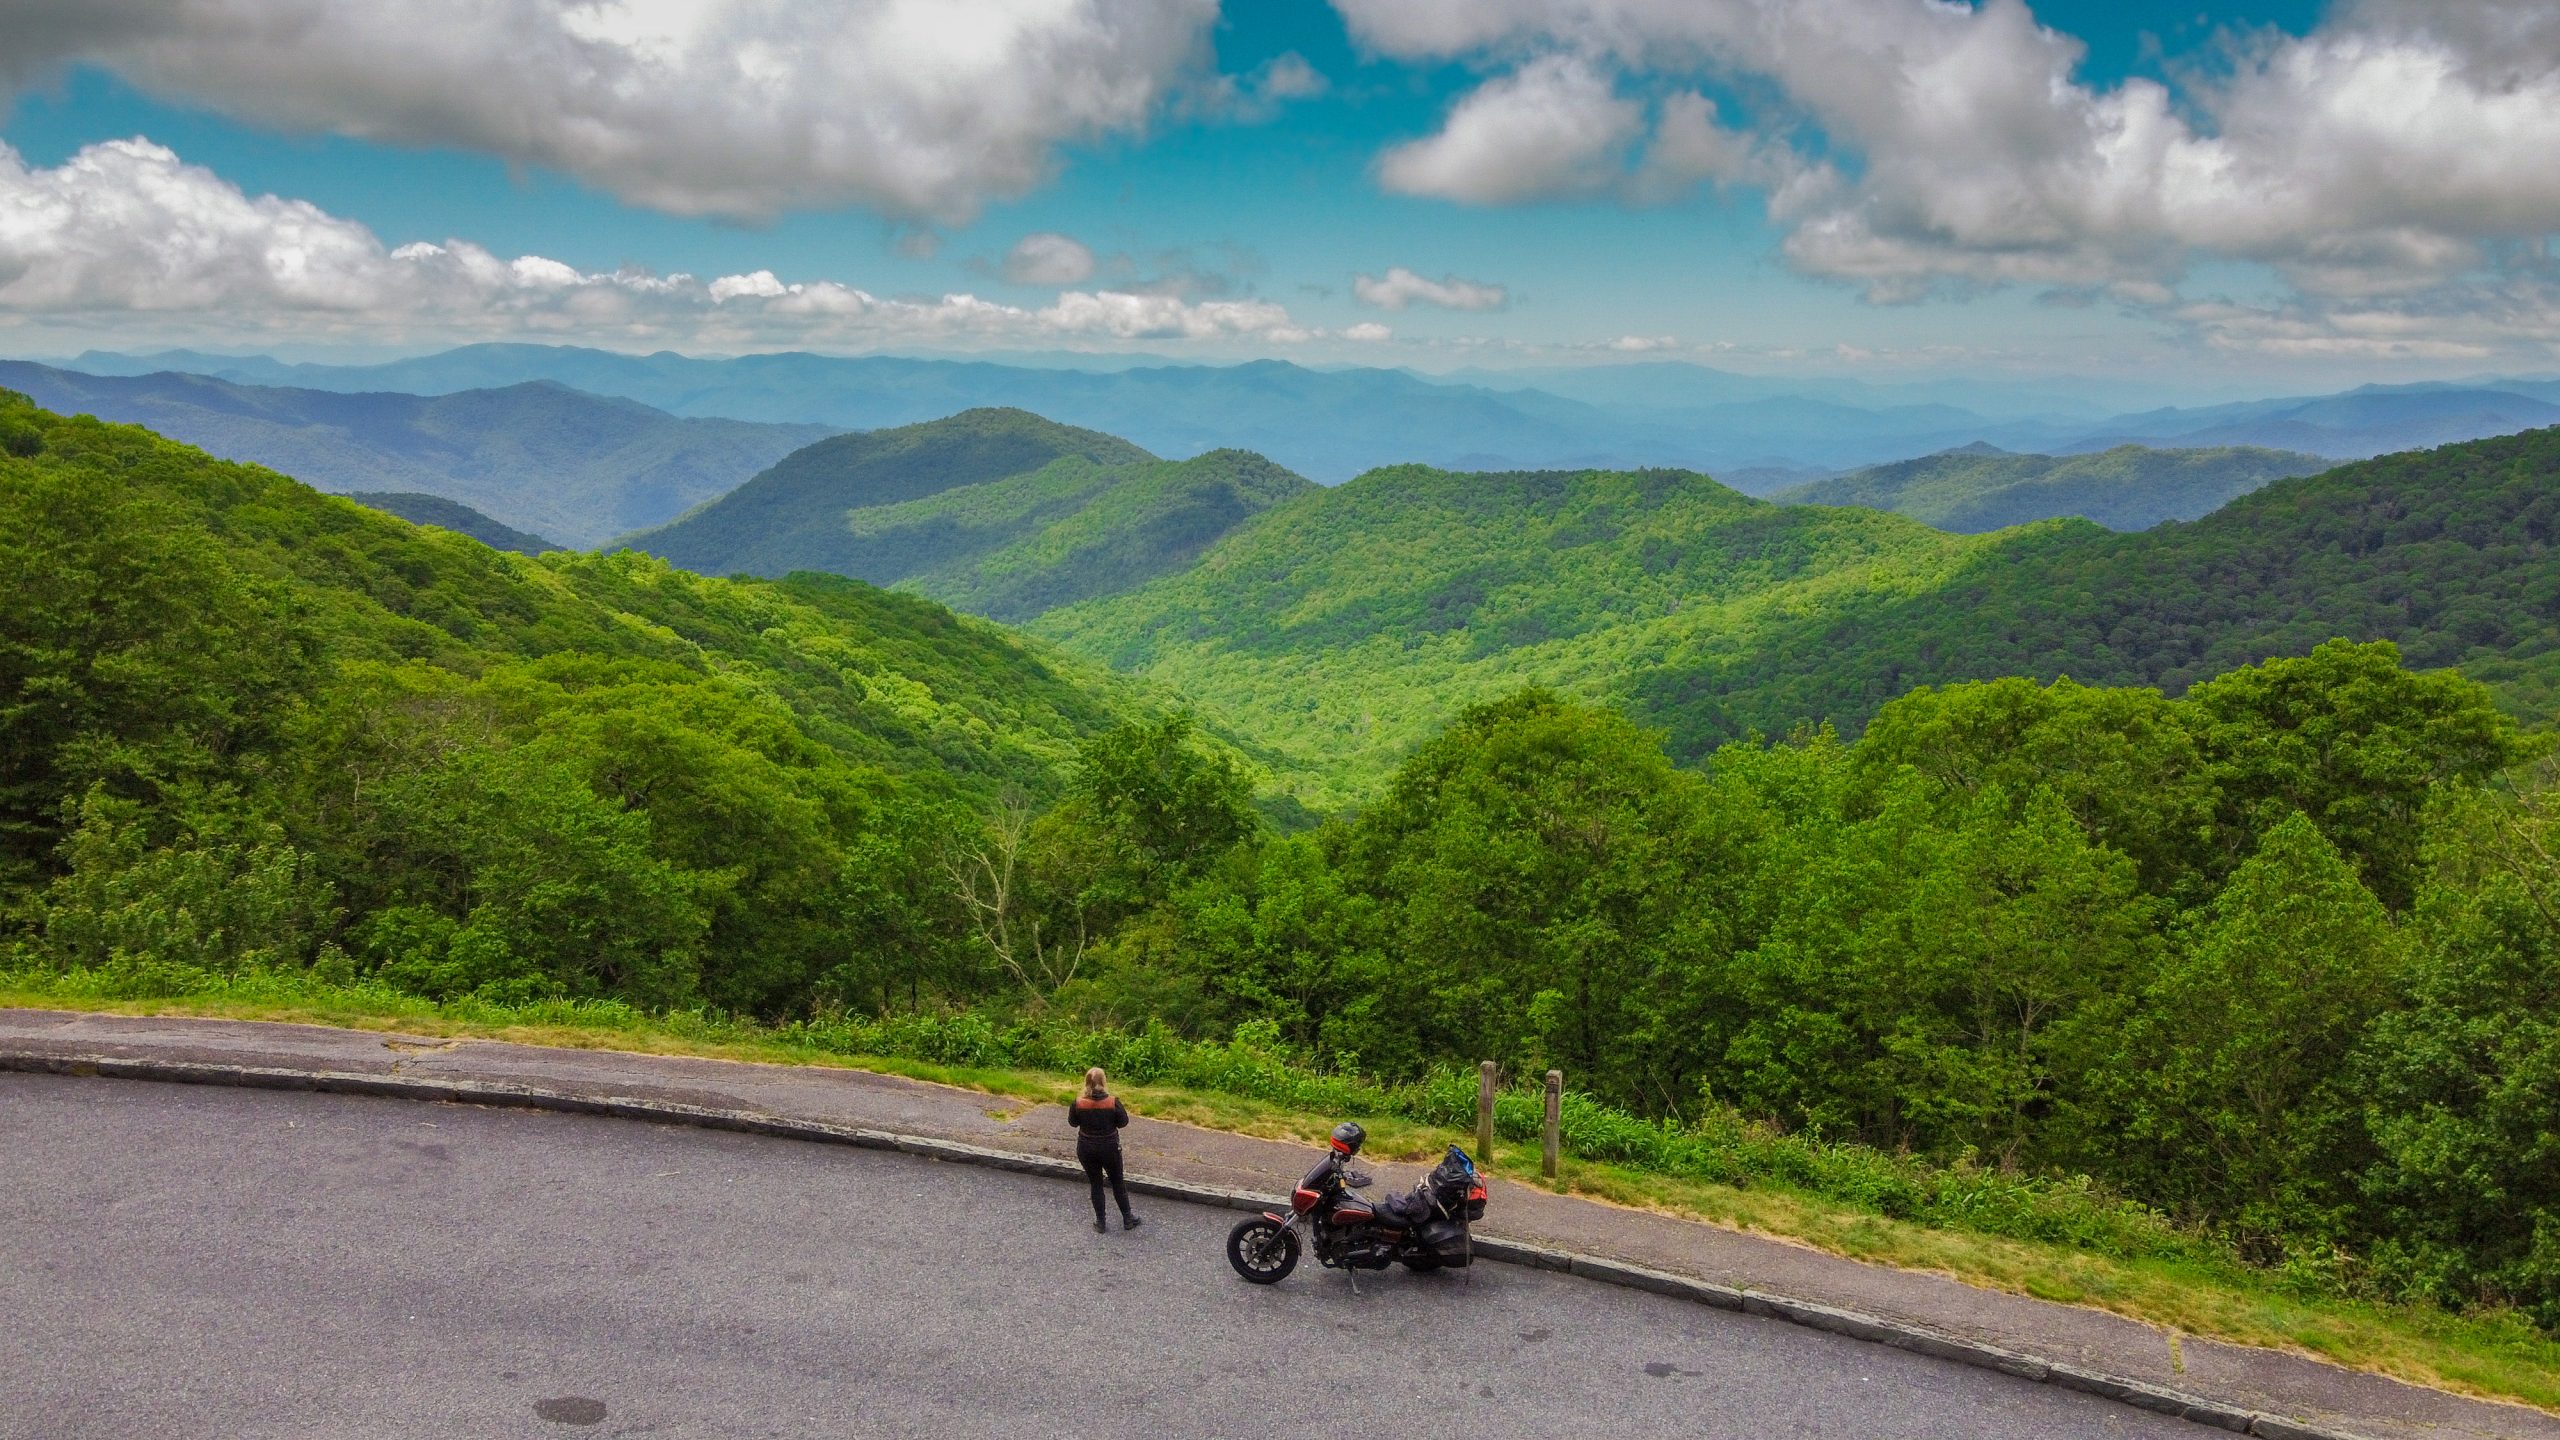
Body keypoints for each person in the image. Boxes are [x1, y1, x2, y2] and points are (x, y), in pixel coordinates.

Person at [1068, 1066, 1140, 1233]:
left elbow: (1073, 1123)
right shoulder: (1113, 1102)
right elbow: (1123, 1123)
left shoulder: (1078, 1103)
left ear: (1086, 1082)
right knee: (1117, 1182)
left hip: (1086, 1147)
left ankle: (1101, 1222)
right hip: (1109, 1147)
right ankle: (1128, 1218)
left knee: (1096, 1183)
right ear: (1103, 1081)